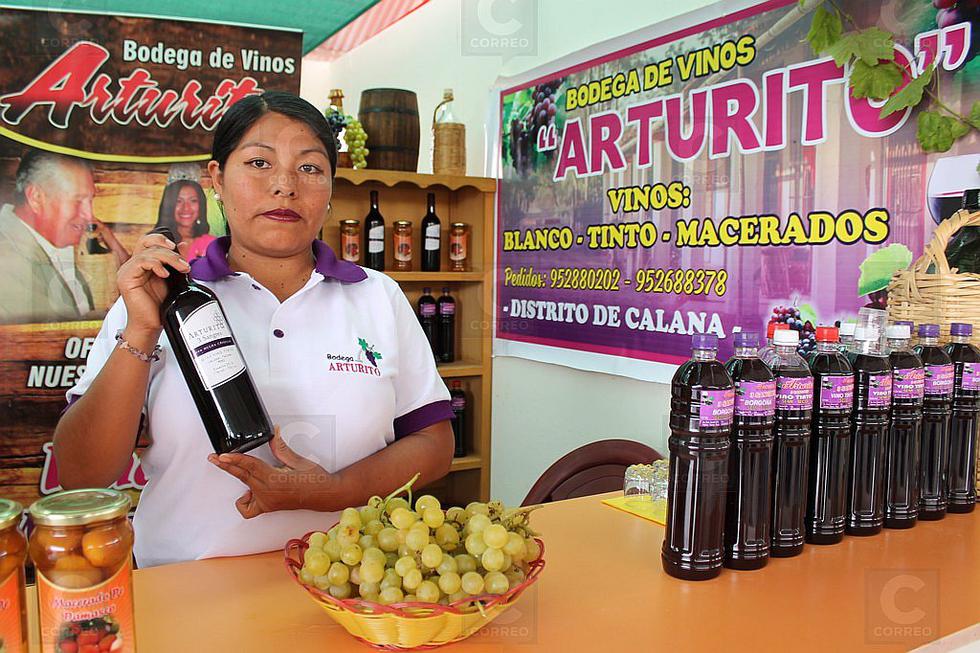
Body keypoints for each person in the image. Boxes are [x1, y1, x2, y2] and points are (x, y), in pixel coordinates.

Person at [53, 91, 455, 567]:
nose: (284, 186)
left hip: (348, 583)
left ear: (331, 188)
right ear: (217, 179)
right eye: (259, 163)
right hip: (184, 586)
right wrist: (142, 330)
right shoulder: (159, 295)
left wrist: (331, 492)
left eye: (309, 168)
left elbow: (434, 444)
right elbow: (81, 475)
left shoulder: (376, 296)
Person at [0, 150, 128, 323]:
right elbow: (46, 333)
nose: (89, 215)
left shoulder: (56, 246)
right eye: (78, 200)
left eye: (90, 200)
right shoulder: (7, 258)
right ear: (36, 197)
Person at [153, 179, 216, 259]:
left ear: (201, 205)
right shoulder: (156, 242)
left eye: (193, 201)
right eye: (178, 201)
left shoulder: (212, 244)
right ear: (169, 206)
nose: (186, 208)